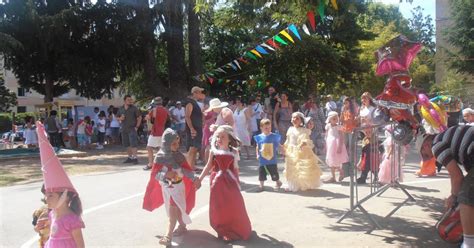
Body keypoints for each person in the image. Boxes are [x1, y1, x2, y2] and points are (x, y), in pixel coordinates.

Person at [142, 128, 199, 246]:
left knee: (173, 210)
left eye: (178, 143)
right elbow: (154, 175)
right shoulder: (159, 157)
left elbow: (186, 170)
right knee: (175, 210)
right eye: (173, 143)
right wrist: (165, 174)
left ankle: (168, 235)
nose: (177, 146)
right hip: (167, 188)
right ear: (166, 143)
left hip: (178, 188)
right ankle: (182, 227)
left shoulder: (179, 156)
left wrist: (194, 178)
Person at [197, 125, 252, 241]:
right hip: (217, 183)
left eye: (222, 137)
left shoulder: (234, 152)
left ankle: (234, 226)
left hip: (230, 181)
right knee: (219, 206)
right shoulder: (214, 151)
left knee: (234, 204)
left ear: (229, 139)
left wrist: (237, 183)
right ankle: (222, 229)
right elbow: (208, 166)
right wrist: (200, 179)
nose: (219, 139)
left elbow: (235, 169)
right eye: (218, 136)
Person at [35, 121, 85, 248]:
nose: (46, 198)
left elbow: (80, 246)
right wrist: (39, 228)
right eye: (47, 195)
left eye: (51, 195)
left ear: (65, 197)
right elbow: (49, 236)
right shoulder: (52, 214)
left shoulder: (72, 220)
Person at [431, 125, 474, 248]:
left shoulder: (436, 145)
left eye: (424, 153)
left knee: (466, 195)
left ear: (425, 145)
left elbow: (457, 176)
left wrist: (453, 197)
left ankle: (469, 244)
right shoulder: (449, 137)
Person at [283, 112, 322, 192]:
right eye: (293, 118)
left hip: (301, 151)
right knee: (291, 168)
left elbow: (306, 139)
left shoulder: (304, 130)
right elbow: (288, 140)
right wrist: (284, 148)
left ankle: (304, 184)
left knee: (301, 169)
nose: (294, 119)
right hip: (291, 151)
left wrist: (303, 143)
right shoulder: (290, 129)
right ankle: (292, 185)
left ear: (301, 121)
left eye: (297, 118)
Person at [254, 119, 283, 192]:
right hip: (262, 160)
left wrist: (283, 150)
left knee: (274, 173)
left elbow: (279, 145)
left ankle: (277, 182)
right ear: (261, 128)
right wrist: (257, 154)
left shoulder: (274, 136)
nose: (268, 129)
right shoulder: (259, 137)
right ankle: (261, 185)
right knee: (261, 173)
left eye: (269, 127)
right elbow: (257, 146)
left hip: (272, 160)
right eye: (266, 128)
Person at [144, 97, 169, 171]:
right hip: (162, 131)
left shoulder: (154, 110)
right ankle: (161, 165)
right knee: (160, 148)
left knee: (149, 147)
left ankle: (150, 164)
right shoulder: (165, 110)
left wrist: (147, 117)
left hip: (155, 132)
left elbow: (148, 118)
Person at [185, 87, 206, 169]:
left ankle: (192, 166)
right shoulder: (190, 103)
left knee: (195, 149)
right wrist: (191, 128)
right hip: (193, 129)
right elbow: (187, 116)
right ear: (195, 93)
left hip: (197, 128)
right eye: (200, 92)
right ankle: (187, 168)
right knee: (191, 149)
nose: (201, 94)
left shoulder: (195, 103)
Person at [324, 111, 349, 183]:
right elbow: (326, 135)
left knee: (337, 161)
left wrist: (340, 146)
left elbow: (341, 137)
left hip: (337, 145)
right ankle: (333, 177)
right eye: (334, 119)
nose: (336, 120)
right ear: (329, 119)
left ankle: (341, 173)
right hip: (330, 145)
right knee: (331, 161)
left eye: (336, 118)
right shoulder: (328, 126)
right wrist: (325, 144)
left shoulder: (338, 127)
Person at [118, 95, 142, 165]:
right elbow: (117, 117)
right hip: (124, 129)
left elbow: (139, 117)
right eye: (128, 100)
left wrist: (137, 127)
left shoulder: (134, 108)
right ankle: (130, 157)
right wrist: (120, 119)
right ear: (125, 100)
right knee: (126, 144)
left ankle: (135, 158)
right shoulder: (121, 108)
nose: (130, 101)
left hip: (132, 128)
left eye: (131, 100)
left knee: (133, 144)